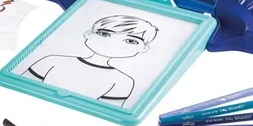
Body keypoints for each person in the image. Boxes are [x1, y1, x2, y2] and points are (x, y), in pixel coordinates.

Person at [23, 14, 158, 106]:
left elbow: (107, 111)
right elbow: (24, 86)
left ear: (144, 48)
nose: (113, 43)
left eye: (131, 41)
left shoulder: (123, 81)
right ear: (88, 34)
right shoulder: (52, 61)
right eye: (104, 34)